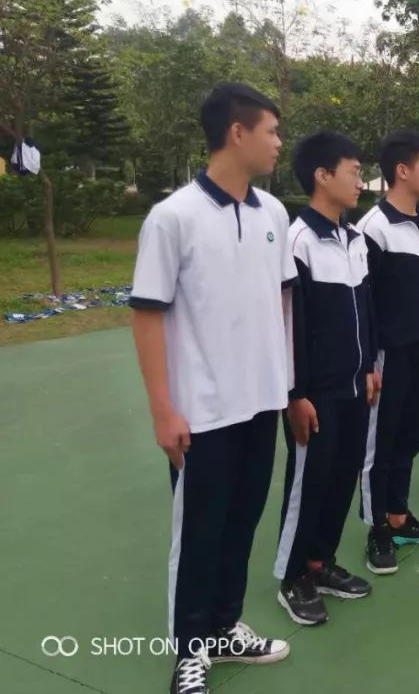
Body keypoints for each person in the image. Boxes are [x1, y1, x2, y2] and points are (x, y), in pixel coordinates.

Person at [130, 83, 293, 694]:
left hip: (261, 403)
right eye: (272, 131)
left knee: (242, 520)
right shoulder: (173, 217)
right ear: (237, 132)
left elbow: (281, 303)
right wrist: (162, 410)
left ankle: (225, 626)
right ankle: (190, 650)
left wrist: (287, 386)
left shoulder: (273, 214)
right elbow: (147, 315)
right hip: (201, 412)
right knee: (199, 532)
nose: (279, 143)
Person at [275, 132, 379, 627]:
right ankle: (293, 575)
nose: (360, 181)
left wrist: (371, 366)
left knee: (342, 475)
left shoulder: (354, 238)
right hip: (314, 393)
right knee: (309, 481)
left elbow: (366, 310)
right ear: (322, 175)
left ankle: (321, 562)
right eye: (353, 172)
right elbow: (289, 325)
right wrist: (295, 394)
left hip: (355, 384)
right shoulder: (297, 240)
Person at [356, 131, 419, 576]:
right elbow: (364, 302)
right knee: (381, 442)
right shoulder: (373, 228)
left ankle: (398, 514)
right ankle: (377, 529)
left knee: (410, 436)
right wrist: (369, 362)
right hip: (388, 354)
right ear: (402, 171)